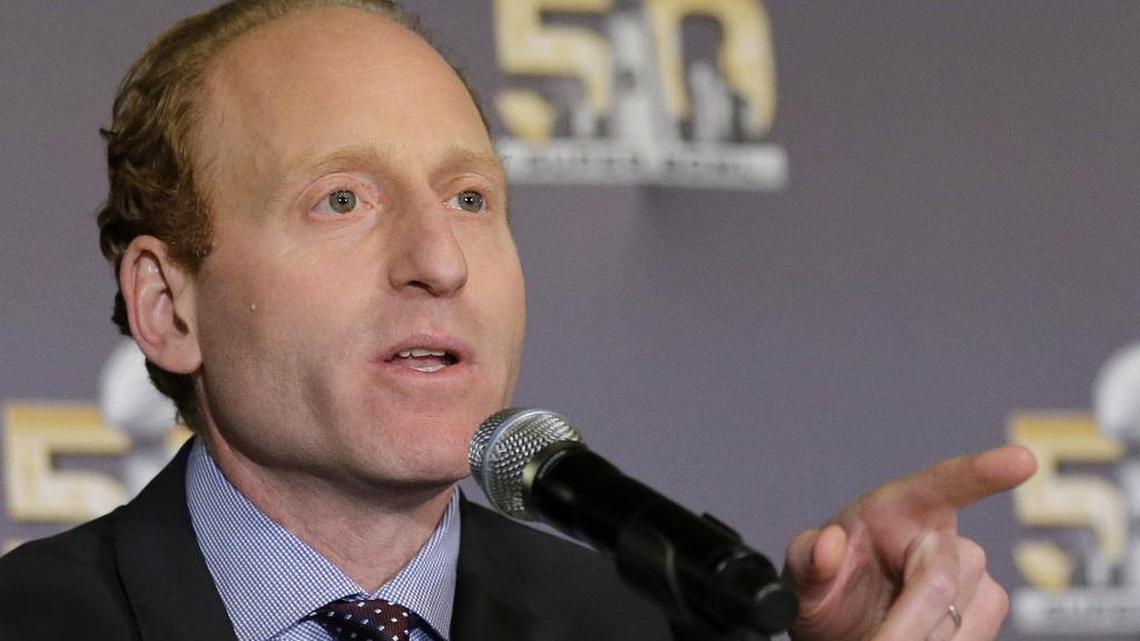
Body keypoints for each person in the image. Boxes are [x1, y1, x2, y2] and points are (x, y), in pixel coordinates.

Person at [0, 1, 1036, 639]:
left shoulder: (645, 624)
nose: (439, 262)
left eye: (470, 199)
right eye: (343, 200)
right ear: (168, 306)